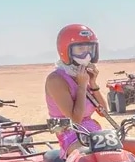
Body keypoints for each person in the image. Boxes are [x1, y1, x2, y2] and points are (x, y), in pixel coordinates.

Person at [44, 24, 108, 153]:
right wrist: (82, 86)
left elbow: (104, 113)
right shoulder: (56, 80)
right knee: (94, 158)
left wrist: (93, 83)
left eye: (90, 49)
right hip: (73, 137)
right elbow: (75, 121)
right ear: (66, 50)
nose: (87, 54)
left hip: (95, 134)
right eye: (80, 49)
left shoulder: (81, 75)